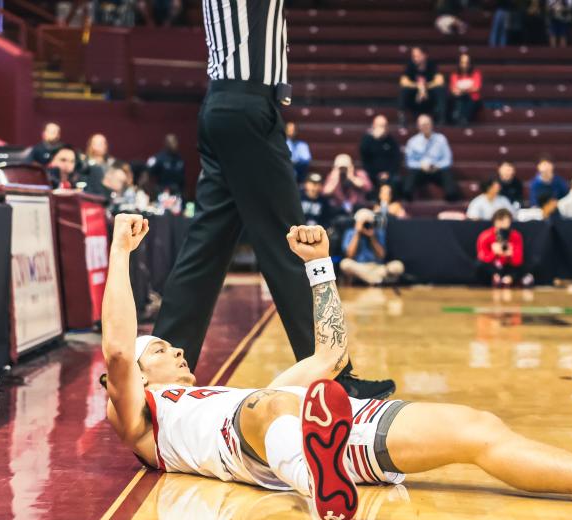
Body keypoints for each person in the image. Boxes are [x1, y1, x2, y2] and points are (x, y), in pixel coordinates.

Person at [102, 214, 572, 520]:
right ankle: (321, 489)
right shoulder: (147, 420)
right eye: (164, 350)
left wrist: (320, 268)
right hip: (265, 441)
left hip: (329, 432)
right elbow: (119, 353)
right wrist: (120, 253)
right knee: (272, 407)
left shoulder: (231, 391)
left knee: (476, 429)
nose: (177, 352)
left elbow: (329, 356)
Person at [151, 1, 394, 402]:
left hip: (221, 107)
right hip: (248, 108)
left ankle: (156, 378)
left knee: (204, 251)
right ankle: (334, 378)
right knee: (293, 245)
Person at [402, 115, 460, 202]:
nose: (425, 127)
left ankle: (451, 197)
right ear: (418, 126)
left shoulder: (441, 139)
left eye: (427, 124)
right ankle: (407, 197)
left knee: (447, 172)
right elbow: (409, 162)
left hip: (437, 170)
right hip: (420, 170)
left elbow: (448, 160)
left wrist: (437, 166)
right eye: (422, 125)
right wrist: (420, 165)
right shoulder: (412, 141)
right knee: (411, 174)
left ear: (432, 125)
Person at [341, 209, 405, 286]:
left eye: (368, 223)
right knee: (345, 264)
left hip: (378, 268)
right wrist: (357, 233)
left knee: (398, 266)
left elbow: (381, 255)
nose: (366, 225)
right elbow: (349, 255)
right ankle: (376, 280)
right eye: (364, 223)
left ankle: (369, 279)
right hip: (359, 267)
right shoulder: (350, 233)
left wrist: (372, 237)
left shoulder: (378, 232)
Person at [476, 208, 531, 286]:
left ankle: (511, 278)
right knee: (479, 265)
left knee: (526, 263)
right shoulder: (485, 236)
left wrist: (511, 254)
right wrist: (494, 253)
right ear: (494, 222)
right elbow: (482, 258)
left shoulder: (516, 236)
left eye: (506, 222)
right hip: (493, 267)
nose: (502, 225)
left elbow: (518, 261)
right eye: (500, 221)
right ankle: (495, 278)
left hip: (509, 266)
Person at [398, 47, 447, 125]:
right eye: (413, 56)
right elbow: (403, 82)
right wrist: (419, 86)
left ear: (424, 55)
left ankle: (441, 118)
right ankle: (402, 117)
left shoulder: (431, 64)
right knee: (404, 90)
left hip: (429, 96)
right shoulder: (410, 65)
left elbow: (440, 81)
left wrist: (424, 87)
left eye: (417, 56)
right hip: (415, 97)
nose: (415, 58)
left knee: (440, 89)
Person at [359, 114, 401, 195]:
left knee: (396, 181)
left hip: (388, 174)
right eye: (380, 126)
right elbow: (364, 155)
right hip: (371, 173)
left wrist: (388, 173)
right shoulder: (367, 139)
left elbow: (396, 159)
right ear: (374, 126)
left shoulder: (391, 140)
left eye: (384, 126)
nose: (383, 128)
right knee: (364, 179)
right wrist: (374, 138)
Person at [449, 53, 482, 125]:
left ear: (470, 64)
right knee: (458, 100)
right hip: (459, 98)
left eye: (467, 63)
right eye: (463, 62)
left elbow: (476, 88)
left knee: (467, 99)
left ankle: (463, 119)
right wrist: (467, 89)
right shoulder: (454, 75)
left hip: (473, 100)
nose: (465, 65)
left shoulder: (476, 74)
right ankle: (457, 118)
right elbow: (453, 90)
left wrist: (462, 90)